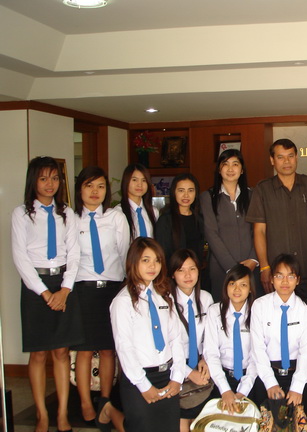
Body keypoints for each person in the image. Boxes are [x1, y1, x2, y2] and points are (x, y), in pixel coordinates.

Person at [11, 156, 82, 432]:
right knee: (39, 354)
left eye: (54, 178)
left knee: (62, 352)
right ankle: (41, 414)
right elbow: (20, 258)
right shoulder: (21, 214)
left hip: (63, 283)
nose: (50, 184)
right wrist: (44, 293)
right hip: (35, 287)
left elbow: (74, 254)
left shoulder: (67, 214)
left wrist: (64, 289)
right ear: (34, 181)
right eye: (43, 178)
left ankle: (62, 413)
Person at [73, 166, 128, 431]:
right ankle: (85, 402)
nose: (95, 192)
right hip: (83, 289)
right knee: (84, 349)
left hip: (112, 289)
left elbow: (125, 253)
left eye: (101, 186)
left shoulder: (116, 217)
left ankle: (105, 400)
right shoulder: (71, 220)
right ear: (79, 189)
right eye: (89, 186)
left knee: (108, 348)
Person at [110, 237, 185, 432]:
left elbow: (176, 338)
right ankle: (108, 410)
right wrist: (144, 385)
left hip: (167, 376)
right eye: (146, 260)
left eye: (157, 260)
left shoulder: (164, 295)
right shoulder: (123, 302)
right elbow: (124, 347)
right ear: (133, 262)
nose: (152, 266)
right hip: (139, 379)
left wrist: (177, 377)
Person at [246, 139, 307, 298]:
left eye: (290, 156)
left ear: (296, 157)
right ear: (272, 160)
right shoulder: (263, 189)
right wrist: (264, 267)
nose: (287, 161)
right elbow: (259, 231)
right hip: (278, 275)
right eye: (280, 157)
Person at [250, 254, 307, 407]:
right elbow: (258, 348)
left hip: (298, 373)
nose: (285, 282)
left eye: (291, 276)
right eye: (279, 276)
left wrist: (297, 387)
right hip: (267, 373)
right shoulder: (260, 306)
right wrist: (270, 383)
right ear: (272, 279)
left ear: (298, 280)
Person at [201, 148, 259, 301]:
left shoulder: (253, 195)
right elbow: (211, 233)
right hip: (221, 269)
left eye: (235, 164)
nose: (230, 168)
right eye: (225, 164)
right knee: (223, 309)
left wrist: (253, 259)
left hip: (251, 268)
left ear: (242, 170)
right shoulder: (208, 197)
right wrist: (232, 267)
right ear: (219, 169)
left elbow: (259, 230)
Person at [204, 264, 263, 412]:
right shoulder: (214, 312)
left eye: (243, 285)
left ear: (250, 289)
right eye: (232, 284)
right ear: (226, 286)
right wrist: (225, 390)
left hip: (250, 379)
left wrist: (242, 391)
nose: (237, 289)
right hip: (220, 379)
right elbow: (211, 353)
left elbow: (257, 355)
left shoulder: (257, 312)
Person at [168, 249, 215, 432]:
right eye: (181, 270)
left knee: (202, 424)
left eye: (192, 269)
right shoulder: (166, 301)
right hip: (176, 368)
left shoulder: (206, 298)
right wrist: (188, 372)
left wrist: (206, 359)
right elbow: (166, 346)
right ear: (173, 274)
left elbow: (211, 336)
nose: (188, 275)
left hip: (202, 366)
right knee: (182, 424)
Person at [155, 173, 208, 290]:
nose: (186, 195)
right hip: (173, 279)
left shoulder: (199, 218)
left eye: (190, 190)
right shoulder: (165, 220)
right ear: (174, 192)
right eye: (181, 190)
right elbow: (163, 254)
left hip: (195, 277)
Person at [116, 164, 158, 240]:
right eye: (134, 180)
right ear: (126, 181)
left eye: (144, 180)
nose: (140, 184)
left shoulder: (154, 211)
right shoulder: (118, 213)